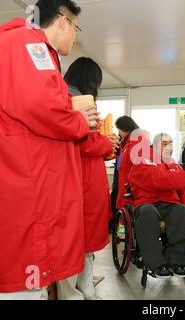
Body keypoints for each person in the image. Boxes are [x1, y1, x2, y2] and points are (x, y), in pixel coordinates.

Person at [0, 0, 99, 300]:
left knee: (29, 285)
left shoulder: (29, 48)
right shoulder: (27, 44)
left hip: (28, 184)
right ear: (63, 20)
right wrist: (78, 120)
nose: (74, 37)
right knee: (22, 289)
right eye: (76, 28)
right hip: (26, 187)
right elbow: (38, 106)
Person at [62, 57, 119, 300]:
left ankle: (85, 289)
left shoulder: (79, 101)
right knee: (73, 242)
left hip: (90, 178)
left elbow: (89, 139)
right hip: (79, 178)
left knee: (85, 243)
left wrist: (107, 144)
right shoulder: (71, 102)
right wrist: (106, 143)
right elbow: (82, 142)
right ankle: (71, 293)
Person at [129, 133, 185, 279]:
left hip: (167, 202)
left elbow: (176, 185)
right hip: (146, 202)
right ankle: (156, 264)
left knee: (181, 211)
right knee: (148, 212)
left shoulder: (172, 162)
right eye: (164, 143)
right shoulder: (143, 159)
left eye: (170, 143)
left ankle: (178, 262)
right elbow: (157, 179)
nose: (168, 146)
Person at [114, 116, 149, 210]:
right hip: (125, 179)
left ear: (125, 128)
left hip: (130, 182)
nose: (119, 133)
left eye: (119, 129)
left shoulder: (137, 140)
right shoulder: (127, 140)